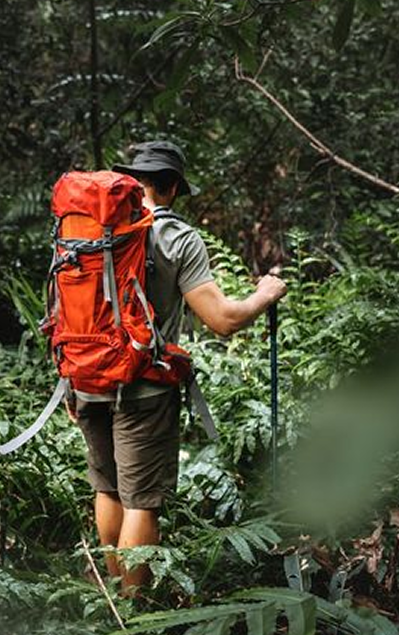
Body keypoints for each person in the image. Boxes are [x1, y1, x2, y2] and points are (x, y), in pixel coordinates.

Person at [71, 141, 286, 590]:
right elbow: (221, 320)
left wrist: (72, 378)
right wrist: (265, 294)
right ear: (171, 188)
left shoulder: (87, 228)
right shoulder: (178, 238)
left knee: (107, 489)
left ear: (133, 180)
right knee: (141, 502)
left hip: (85, 378)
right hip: (143, 386)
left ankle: (113, 598)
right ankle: (135, 607)